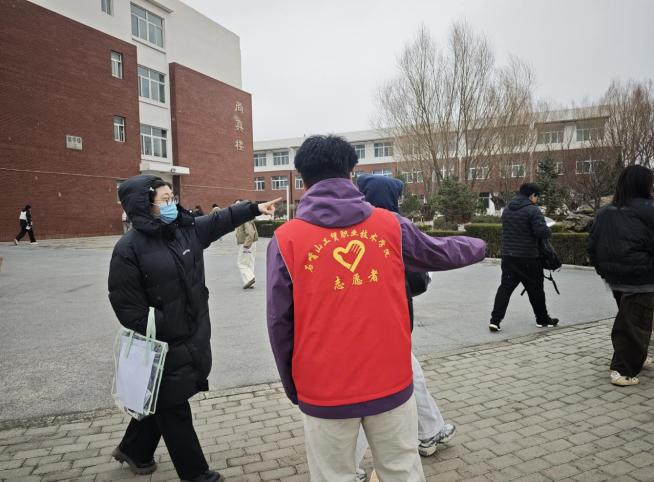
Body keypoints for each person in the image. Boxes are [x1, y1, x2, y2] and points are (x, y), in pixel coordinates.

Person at [266, 135, 486, 482]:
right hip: (390, 379)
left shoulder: (286, 239)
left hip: (323, 387)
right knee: (402, 470)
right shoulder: (390, 225)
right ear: (350, 173)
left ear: (303, 180)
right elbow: (440, 252)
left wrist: (294, 385)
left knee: (333, 476)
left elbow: (279, 322)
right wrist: (481, 245)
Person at [108, 175, 278, 482]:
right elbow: (126, 306)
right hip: (162, 342)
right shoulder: (128, 249)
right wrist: (165, 325)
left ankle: (135, 450)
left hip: (193, 332)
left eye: (172, 198)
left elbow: (219, 220)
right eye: (164, 199)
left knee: (163, 397)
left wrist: (253, 208)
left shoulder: (185, 230)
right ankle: (196, 474)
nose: (171, 204)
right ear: (144, 204)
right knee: (173, 405)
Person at [587, 165, 654, 386]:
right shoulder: (649, 210)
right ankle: (622, 370)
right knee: (635, 324)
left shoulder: (606, 211)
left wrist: (603, 271)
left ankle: (636, 358)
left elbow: (592, 246)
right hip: (642, 278)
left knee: (631, 320)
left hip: (615, 278)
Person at [488, 183, 558, 332]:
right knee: (536, 290)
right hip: (529, 258)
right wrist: (548, 230)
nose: (537, 200)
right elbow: (541, 232)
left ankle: (495, 320)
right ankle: (542, 319)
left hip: (508, 256)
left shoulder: (507, 209)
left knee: (505, 288)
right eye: (537, 197)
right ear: (532, 195)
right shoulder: (533, 210)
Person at [234, 200, 259, 289]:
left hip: (247, 242)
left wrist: (246, 244)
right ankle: (249, 282)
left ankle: (250, 278)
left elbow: (250, 232)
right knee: (250, 262)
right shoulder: (247, 215)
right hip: (252, 242)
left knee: (240, 263)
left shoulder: (243, 216)